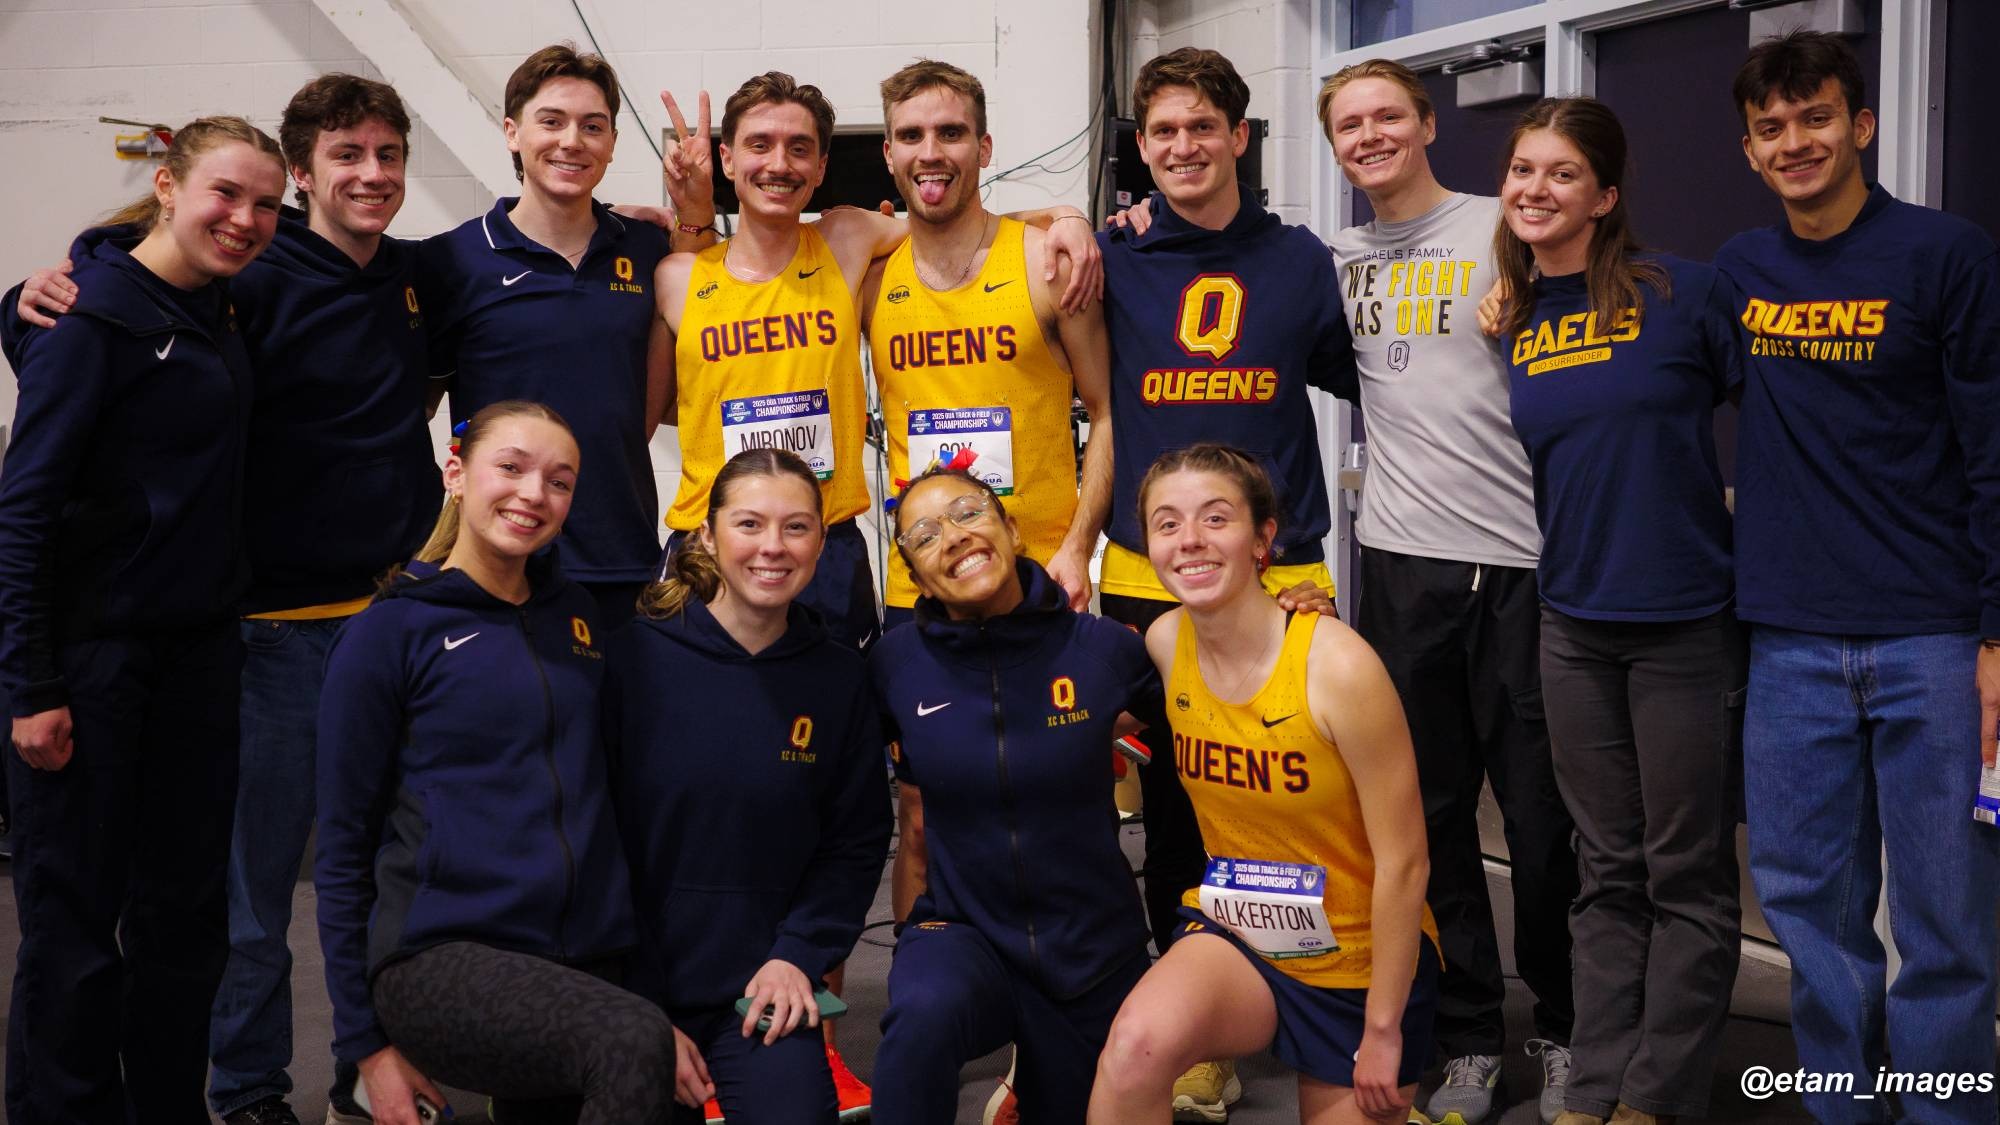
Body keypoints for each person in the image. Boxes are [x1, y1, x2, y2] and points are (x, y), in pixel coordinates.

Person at [1716, 30, 2000, 1125]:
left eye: (1815, 118)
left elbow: (1990, 445)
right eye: (1771, 128)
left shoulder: (1945, 256)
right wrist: (1516, 301)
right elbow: (1627, 334)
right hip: (1786, 641)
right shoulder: (1738, 270)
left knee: (1942, 925)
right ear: (1748, 149)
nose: (1795, 142)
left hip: (1931, 641)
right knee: (1806, 916)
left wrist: (1991, 636)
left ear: (1861, 125)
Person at [0, 116, 287, 1124]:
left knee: (183, 924)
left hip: (198, 661)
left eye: (265, 204)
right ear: (166, 185)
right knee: (75, 932)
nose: (246, 219)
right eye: (225, 194)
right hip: (91, 666)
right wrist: (29, 686)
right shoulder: (90, 315)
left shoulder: (222, 308)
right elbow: (25, 507)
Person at [1096, 47, 1356, 1120]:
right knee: (1172, 806)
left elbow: (1381, 381)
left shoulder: (1301, 260)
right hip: (1146, 577)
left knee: (1297, 805)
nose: (1181, 148)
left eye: (1201, 127)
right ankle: (1200, 1024)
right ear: (1141, 150)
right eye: (1161, 133)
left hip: (1279, 572)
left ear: (1240, 138)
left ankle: (1319, 1002)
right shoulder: (1114, 257)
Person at [1319, 58, 1575, 1125]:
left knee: (1542, 823)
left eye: (1386, 116)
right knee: (1421, 821)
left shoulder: (1500, 228)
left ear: (1426, 124)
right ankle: (1469, 1039)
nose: (1368, 135)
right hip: (1399, 567)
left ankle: (1564, 1031)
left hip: (1522, 565)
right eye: (1347, 125)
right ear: (1332, 146)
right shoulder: (1330, 258)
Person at [651, 70, 1101, 657]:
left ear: (820, 169)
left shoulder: (848, 238)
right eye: (759, 145)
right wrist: (688, 216)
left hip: (825, 544)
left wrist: (1065, 213)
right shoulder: (676, 277)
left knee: (834, 731)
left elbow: (947, 214)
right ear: (728, 160)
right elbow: (663, 408)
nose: (779, 164)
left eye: (799, 149)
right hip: (710, 544)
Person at [1490, 97, 1747, 1125]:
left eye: (1560, 174)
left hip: (1683, 621)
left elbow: (1774, 427)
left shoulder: (1682, 293)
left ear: (1601, 196)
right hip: (1573, 623)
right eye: (1520, 170)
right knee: (1602, 869)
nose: (1534, 190)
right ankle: (1592, 1084)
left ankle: (1654, 1094)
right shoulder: (1514, 318)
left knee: (1682, 870)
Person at [315, 400, 676, 1125]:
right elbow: (342, 849)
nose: (533, 494)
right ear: (457, 471)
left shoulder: (578, 618)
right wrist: (368, 1049)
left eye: (560, 481)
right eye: (510, 467)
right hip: (444, 955)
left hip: (581, 954)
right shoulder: (389, 631)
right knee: (634, 1041)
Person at [1088, 443, 1438, 1125]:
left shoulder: (1338, 666)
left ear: (1264, 538)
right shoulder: (1164, 642)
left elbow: (1407, 861)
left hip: (1358, 960)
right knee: (1132, 1047)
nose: (1190, 540)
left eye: (1216, 519)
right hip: (1241, 933)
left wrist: (1385, 1028)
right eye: (1167, 524)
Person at [606, 448, 892, 1124]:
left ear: (822, 542)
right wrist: (635, 1008)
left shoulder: (837, 679)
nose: (773, 546)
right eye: (750, 524)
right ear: (707, 536)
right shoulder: (631, 660)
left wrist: (798, 956)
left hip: (761, 986)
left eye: (796, 527)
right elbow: (592, 843)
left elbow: (854, 843)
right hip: (628, 988)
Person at [868, 468, 1159, 1125]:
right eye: (924, 534)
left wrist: (1288, 619)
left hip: (1092, 945)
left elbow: (1209, 694)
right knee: (920, 1019)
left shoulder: (1103, 650)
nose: (953, 536)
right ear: (914, 576)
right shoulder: (895, 666)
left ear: (1013, 529)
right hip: (964, 931)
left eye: (969, 512)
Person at [419, 44, 712, 627]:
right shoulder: (450, 261)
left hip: (621, 556)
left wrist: (696, 210)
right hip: (497, 565)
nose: (571, 141)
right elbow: (410, 411)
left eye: (592, 126)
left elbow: (697, 328)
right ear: (512, 132)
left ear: (611, 144)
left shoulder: (646, 247)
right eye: (551, 121)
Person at [865, 58, 1113, 626]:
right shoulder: (871, 278)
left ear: (984, 147)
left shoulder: (1045, 262)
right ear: (889, 154)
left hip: (1040, 577)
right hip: (920, 590)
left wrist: (1078, 548)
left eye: (951, 132)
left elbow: (1106, 412)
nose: (930, 152)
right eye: (911, 135)